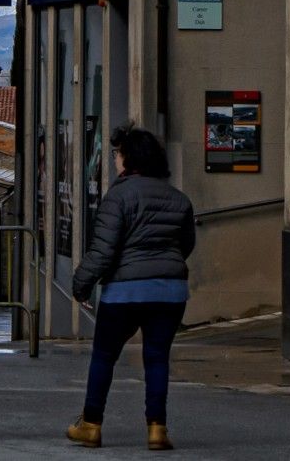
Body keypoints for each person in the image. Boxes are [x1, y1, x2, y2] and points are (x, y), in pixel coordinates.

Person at [66, 125, 195, 451]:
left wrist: (81, 285)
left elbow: (104, 250)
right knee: (156, 358)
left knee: (104, 356)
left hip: (125, 291)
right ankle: (157, 429)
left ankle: (91, 425)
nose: (114, 159)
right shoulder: (179, 200)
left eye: (116, 153)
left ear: (128, 158)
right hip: (170, 291)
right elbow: (185, 245)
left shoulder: (118, 196)